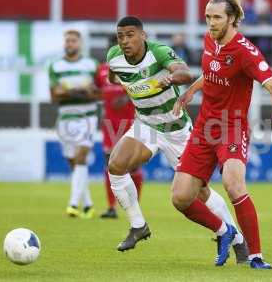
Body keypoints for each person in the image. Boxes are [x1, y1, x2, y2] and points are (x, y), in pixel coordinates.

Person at [106, 16, 248, 263]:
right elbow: (113, 75)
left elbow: (185, 72)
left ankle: (238, 241)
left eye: (130, 35)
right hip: (147, 126)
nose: (125, 41)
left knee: (200, 193)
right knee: (115, 166)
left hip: (177, 130)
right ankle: (138, 225)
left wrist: (170, 78)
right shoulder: (114, 57)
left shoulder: (159, 52)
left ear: (143, 36)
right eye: (121, 36)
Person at [171, 0, 272, 269]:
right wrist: (191, 91)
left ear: (233, 19)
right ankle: (226, 232)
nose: (210, 23)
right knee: (180, 197)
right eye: (207, 17)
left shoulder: (245, 51)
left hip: (231, 128)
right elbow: (212, 73)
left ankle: (256, 256)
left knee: (233, 183)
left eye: (216, 17)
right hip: (204, 127)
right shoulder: (209, 40)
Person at [49, 30, 100, 218]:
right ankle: (88, 204)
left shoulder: (91, 65)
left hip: (88, 116)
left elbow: (98, 93)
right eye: (67, 40)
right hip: (65, 118)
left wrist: (68, 90)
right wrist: (82, 90)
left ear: (80, 44)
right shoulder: (55, 66)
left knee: (80, 158)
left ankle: (72, 205)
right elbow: (54, 96)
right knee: (74, 163)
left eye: (73, 41)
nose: (70, 44)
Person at [95, 36, 144, 219]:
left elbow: (143, 90)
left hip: (131, 122)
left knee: (133, 166)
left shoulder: (133, 68)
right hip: (110, 125)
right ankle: (111, 207)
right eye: (111, 47)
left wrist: (127, 98)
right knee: (110, 165)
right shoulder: (101, 71)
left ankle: (135, 204)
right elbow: (98, 91)